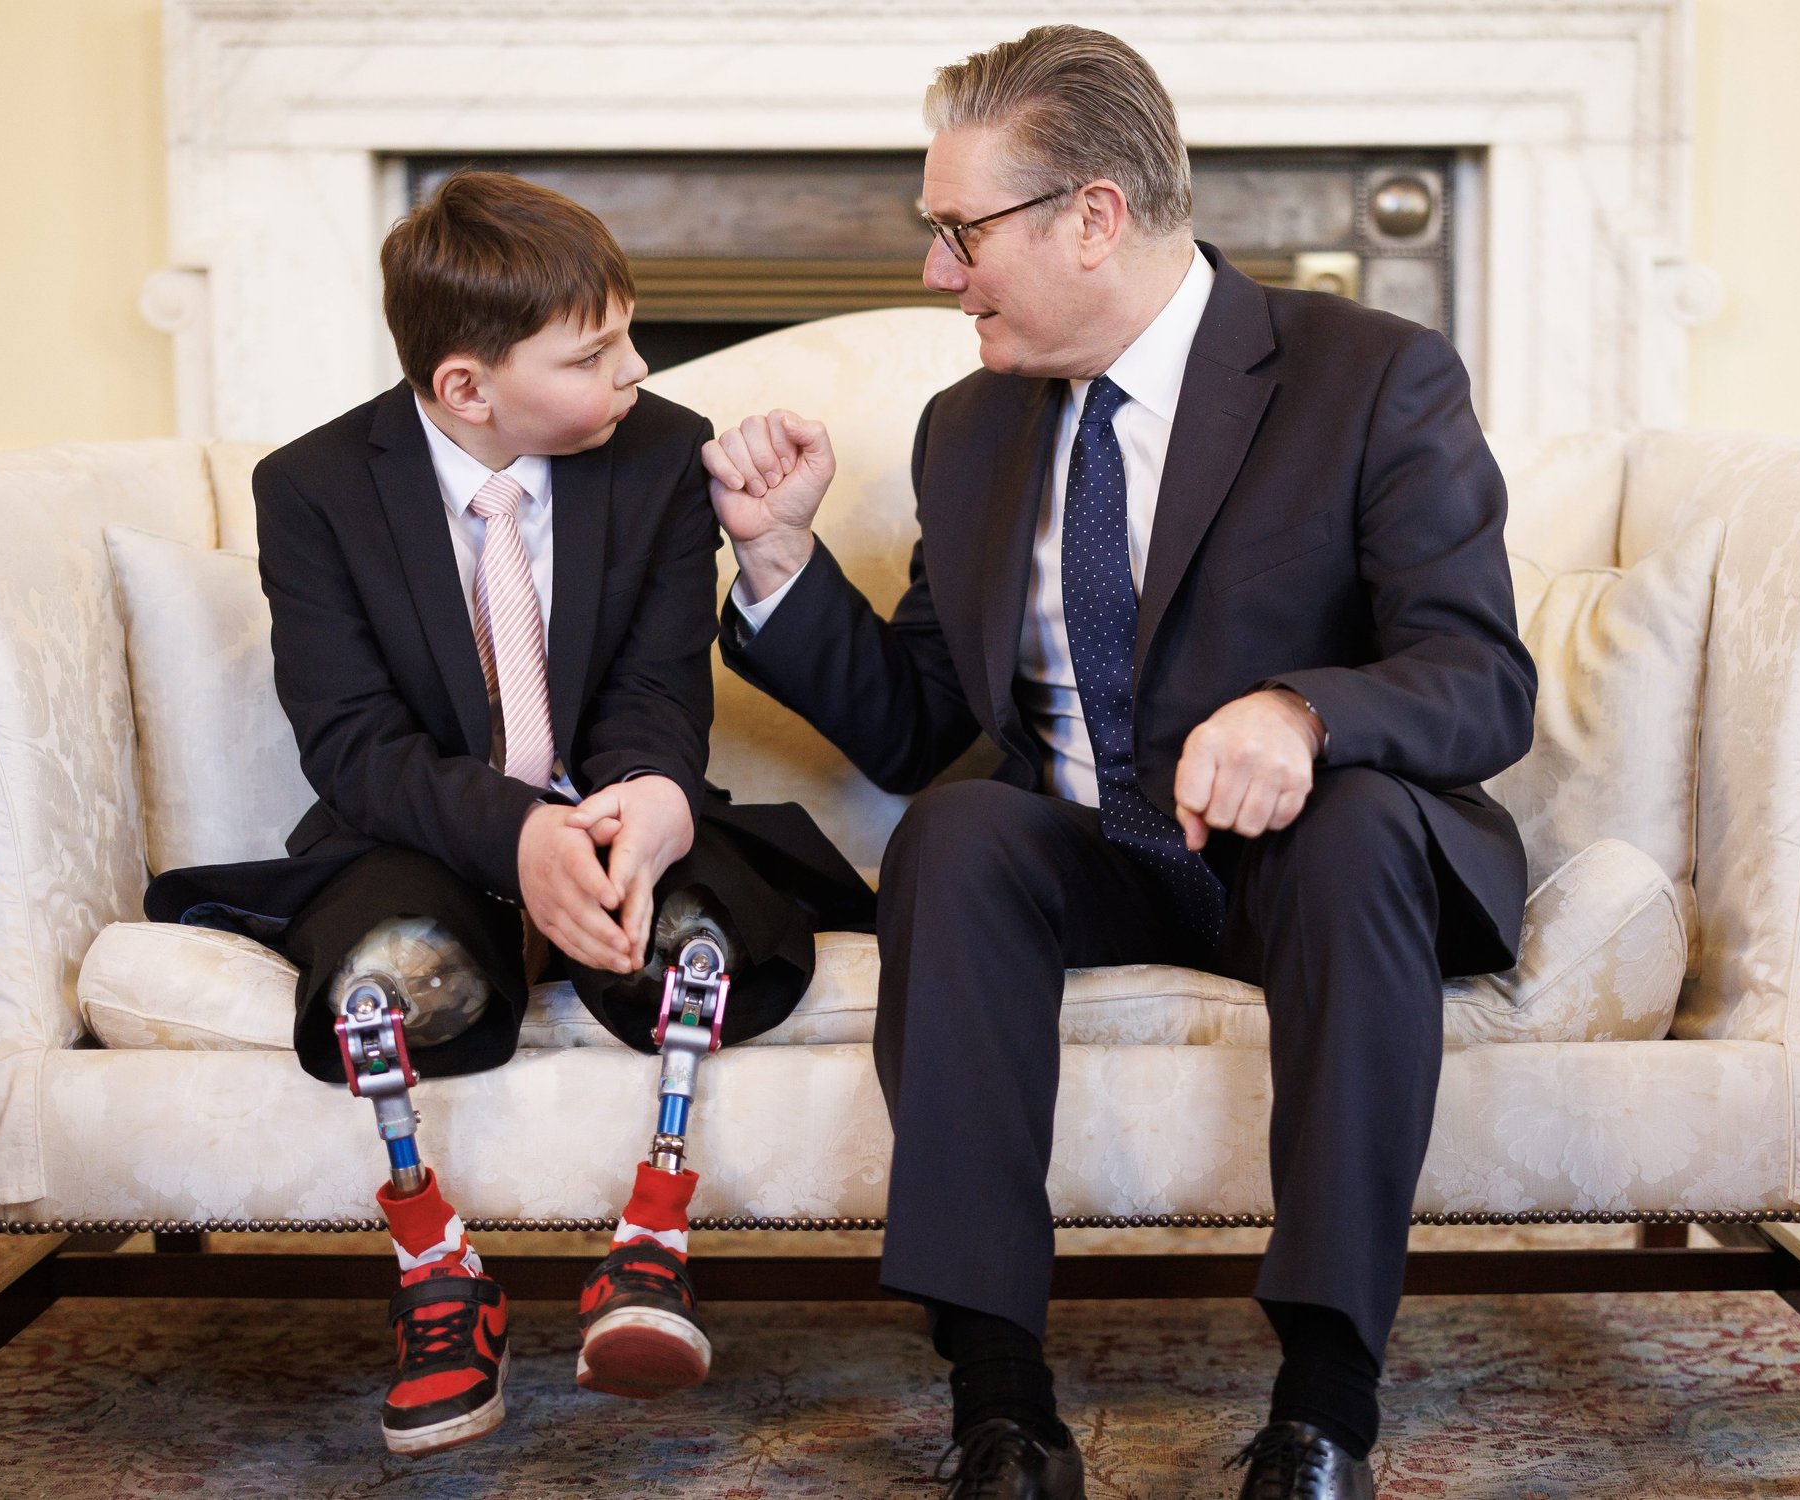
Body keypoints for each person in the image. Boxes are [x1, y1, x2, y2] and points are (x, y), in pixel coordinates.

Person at [703, 26, 1536, 1500]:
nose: (935, 274)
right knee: (956, 831)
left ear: (1091, 215)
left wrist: (1302, 715)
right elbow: (914, 724)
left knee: (1352, 839)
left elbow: (1481, 678)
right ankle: (1001, 1405)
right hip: (1089, 854)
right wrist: (777, 561)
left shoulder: (1370, 377)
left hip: (1307, 865)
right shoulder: (970, 432)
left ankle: (1326, 1404)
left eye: (958, 233)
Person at [145, 170, 870, 1457]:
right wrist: (515, 837)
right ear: (465, 387)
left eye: (631, 333)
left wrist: (640, 805)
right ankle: (439, 1281)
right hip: (420, 834)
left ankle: (649, 1246)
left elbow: (656, 693)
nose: (637, 370)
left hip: (615, 815)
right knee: (390, 981)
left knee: (701, 948)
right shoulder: (312, 490)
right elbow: (354, 743)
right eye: (594, 354)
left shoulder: (655, 457)